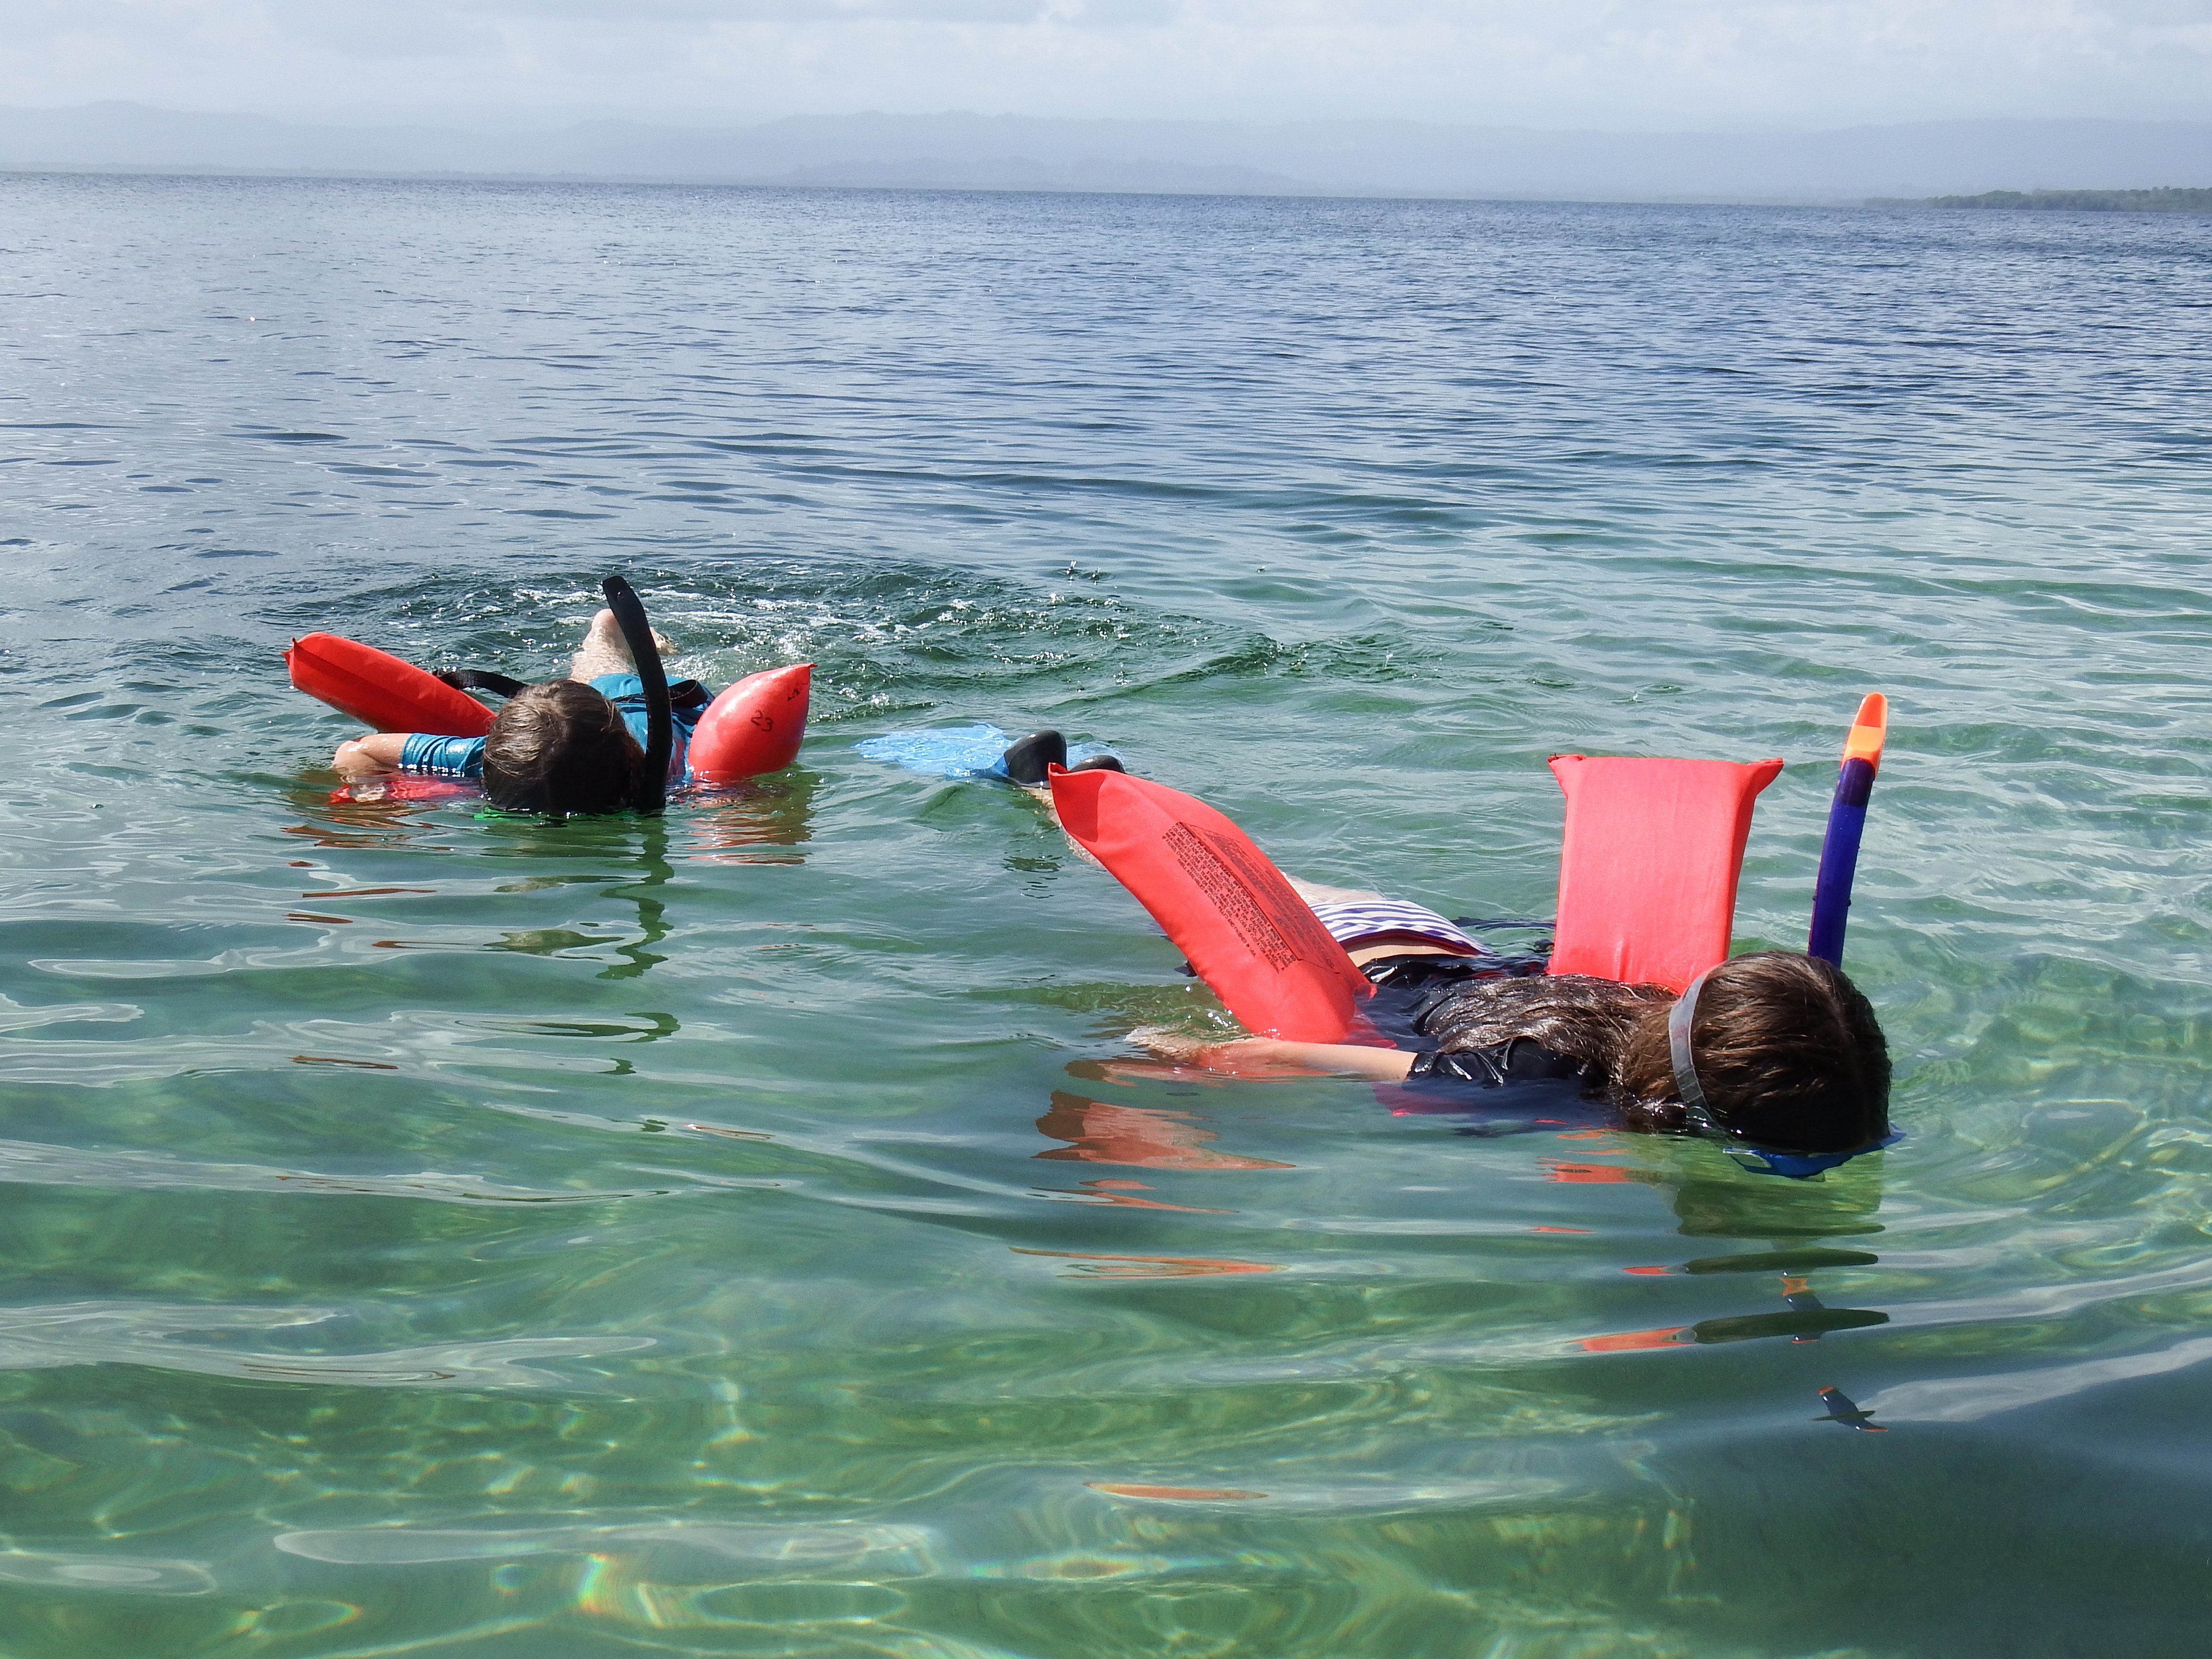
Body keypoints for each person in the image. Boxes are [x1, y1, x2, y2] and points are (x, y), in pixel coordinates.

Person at [1136, 880, 1894, 1171]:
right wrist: (1189, 1053)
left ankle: (1083, 784)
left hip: (1432, 934)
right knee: (1181, 900)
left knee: (1225, 871)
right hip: (1347, 953)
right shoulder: (1533, 1078)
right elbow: (1314, 1057)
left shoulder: (1647, 1003)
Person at [329, 609, 707, 815]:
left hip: (659, 705)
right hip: (597, 710)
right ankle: (608, 631)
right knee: (587, 682)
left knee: (605, 669)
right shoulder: (491, 760)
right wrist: (372, 792)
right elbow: (358, 752)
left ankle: (608, 628)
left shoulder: (679, 776)